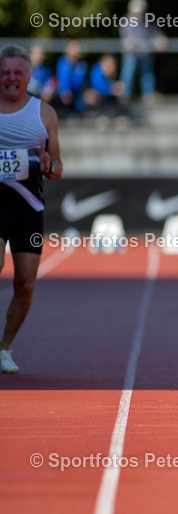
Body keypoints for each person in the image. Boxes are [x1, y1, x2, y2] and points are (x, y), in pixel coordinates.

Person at [0, 44, 63, 373]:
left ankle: (5, 347)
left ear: (28, 76)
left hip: (28, 210)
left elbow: (58, 165)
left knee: (25, 284)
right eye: (5, 72)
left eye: (17, 73)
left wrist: (52, 165)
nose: (11, 78)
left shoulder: (44, 113)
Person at [119, 0, 167, 105]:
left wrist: (160, 39)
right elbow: (127, 40)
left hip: (145, 54)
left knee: (147, 75)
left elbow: (156, 35)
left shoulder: (147, 21)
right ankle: (124, 96)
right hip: (131, 55)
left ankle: (148, 95)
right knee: (127, 74)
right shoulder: (125, 21)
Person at [56, 39, 88, 116]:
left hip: (77, 95)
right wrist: (66, 91)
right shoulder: (63, 62)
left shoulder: (82, 65)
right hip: (63, 94)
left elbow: (82, 84)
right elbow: (63, 81)